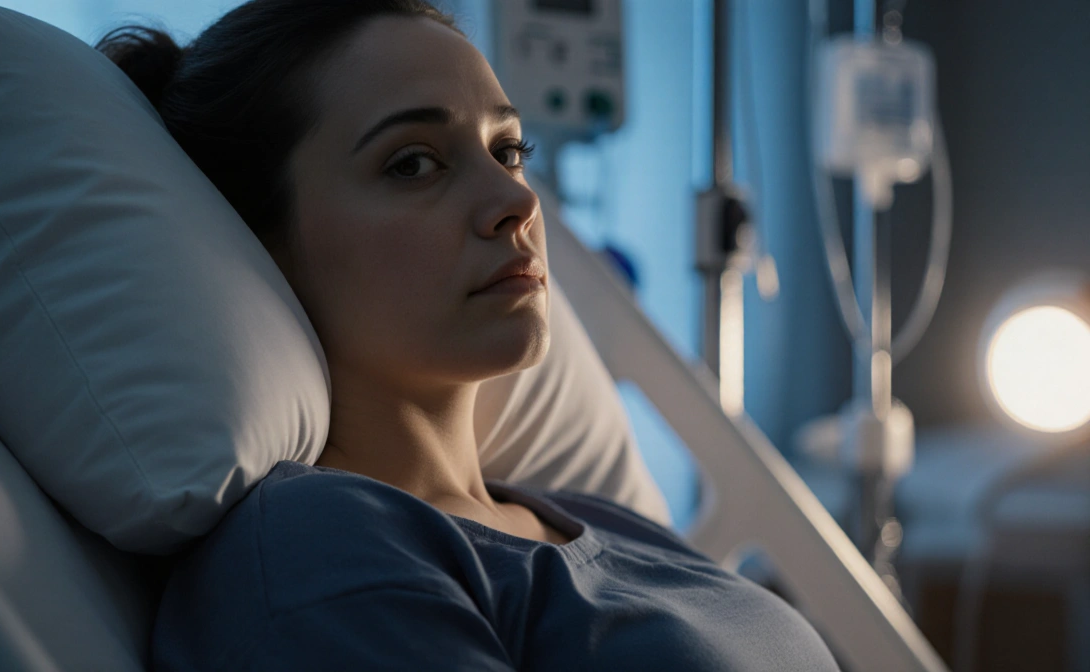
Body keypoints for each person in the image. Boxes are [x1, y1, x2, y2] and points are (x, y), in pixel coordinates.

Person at [98, 1, 842, 669]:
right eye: (413, 163)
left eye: (509, 150)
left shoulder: (594, 517)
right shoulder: (315, 554)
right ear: (256, 244)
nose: (515, 199)